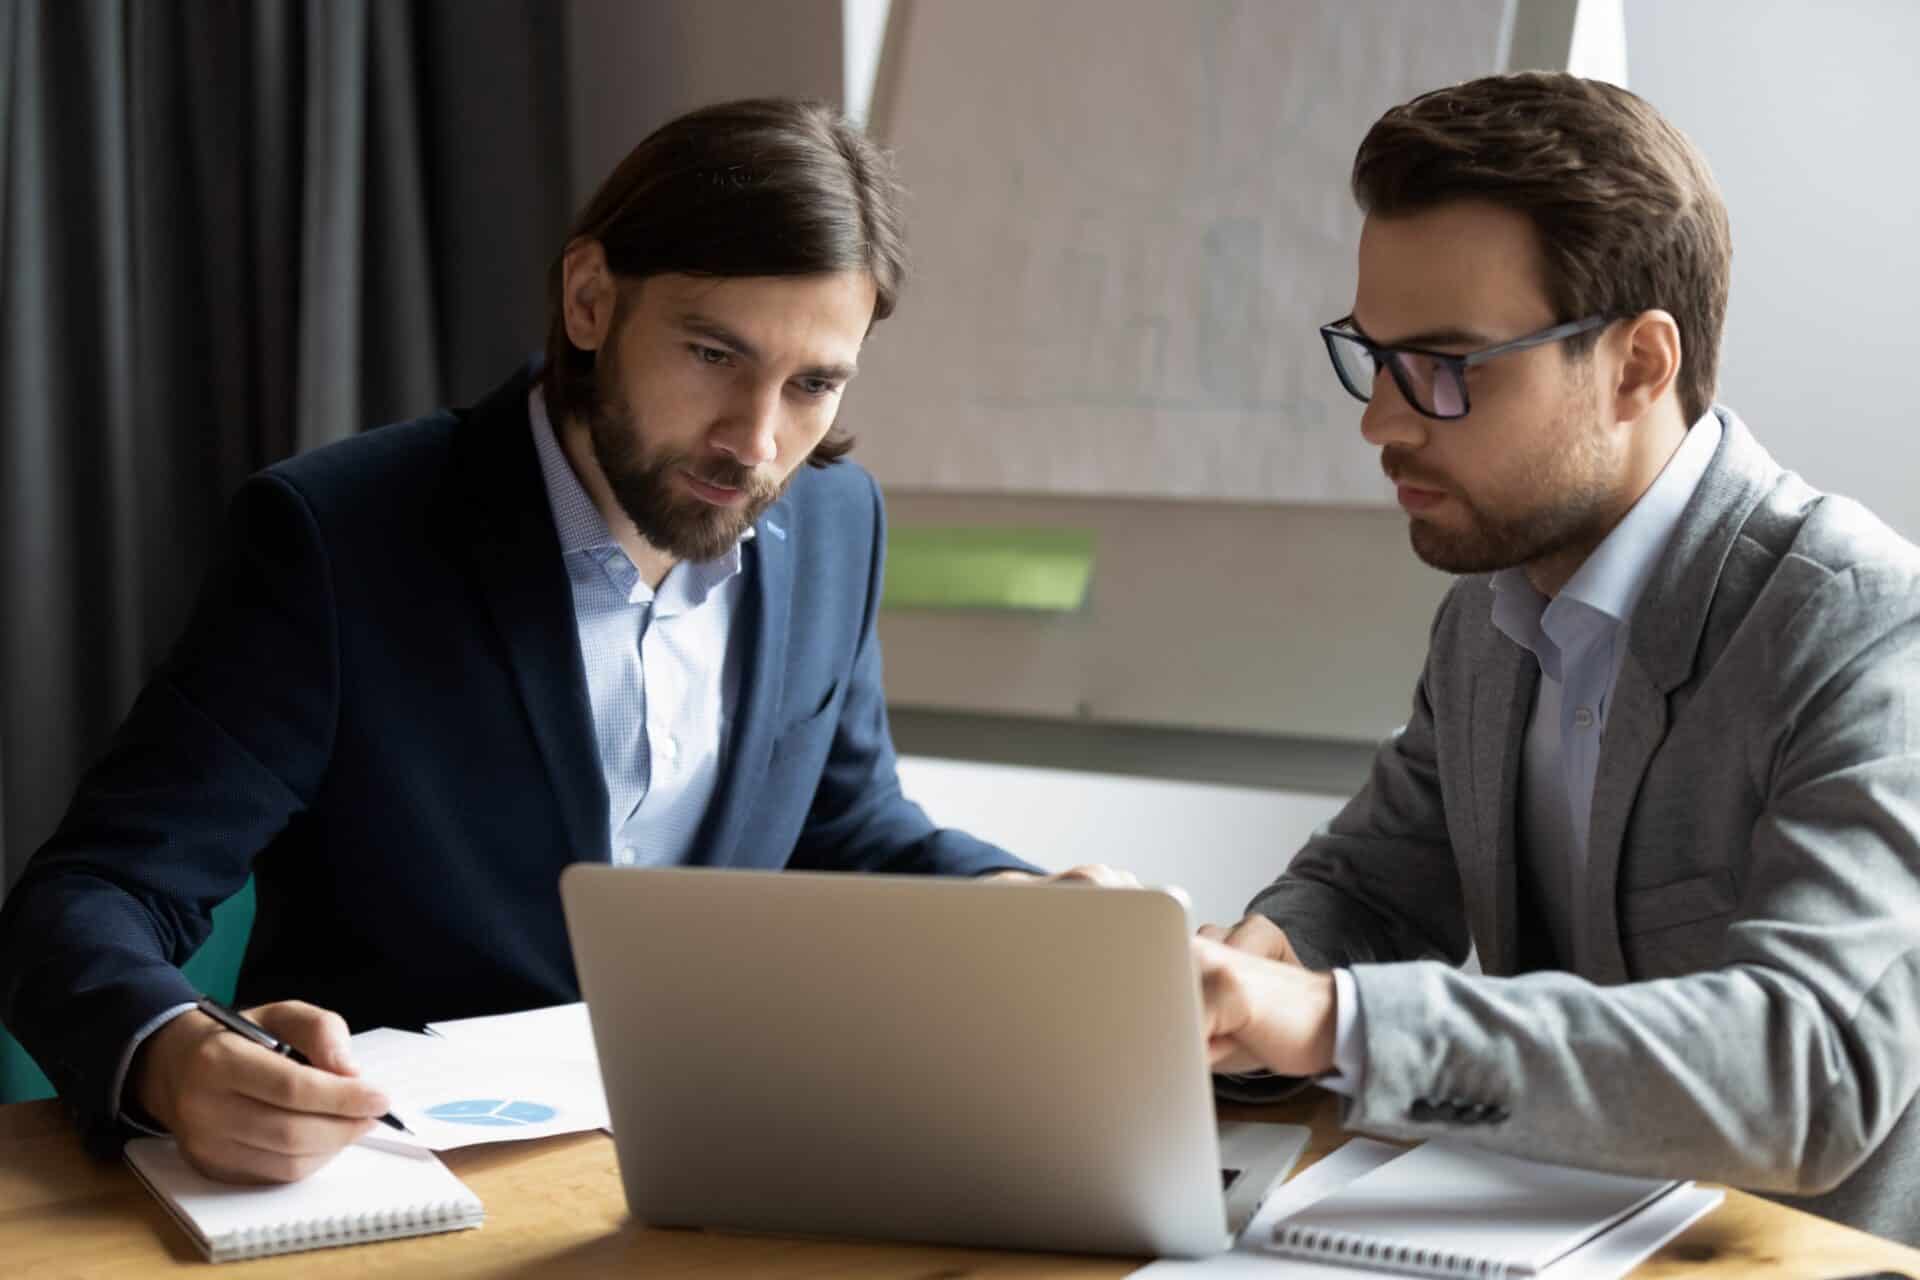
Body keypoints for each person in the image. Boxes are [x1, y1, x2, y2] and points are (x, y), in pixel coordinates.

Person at [0, 98, 1125, 1185]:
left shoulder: (835, 521)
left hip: (731, 1154)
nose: (757, 441)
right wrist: (174, 1054)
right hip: (410, 1178)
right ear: (591, 300)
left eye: (814, 383)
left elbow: (845, 826)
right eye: (713, 355)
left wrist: (1026, 911)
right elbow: (89, 895)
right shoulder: (339, 538)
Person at [1192, 72, 1920, 1245]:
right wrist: (1226, 974)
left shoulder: (1866, 625)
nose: (1382, 420)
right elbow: (1374, 885)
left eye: (1445, 365)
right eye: (1371, 356)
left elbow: (1814, 1071)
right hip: (1539, 1242)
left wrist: (1333, 1019)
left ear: (1638, 364)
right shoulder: (1493, 605)